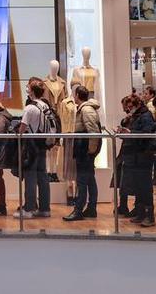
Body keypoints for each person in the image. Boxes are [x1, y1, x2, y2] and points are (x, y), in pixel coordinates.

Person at [116, 92, 156, 226]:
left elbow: (147, 134)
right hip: (134, 156)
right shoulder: (136, 116)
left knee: (145, 187)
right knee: (138, 187)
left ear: (137, 104)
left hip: (143, 156)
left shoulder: (145, 116)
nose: (128, 109)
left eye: (130, 106)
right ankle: (141, 213)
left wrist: (130, 133)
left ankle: (149, 216)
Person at [64, 84, 102, 221]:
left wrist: (90, 151)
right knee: (90, 179)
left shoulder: (86, 110)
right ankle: (91, 208)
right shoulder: (86, 109)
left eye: (74, 95)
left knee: (82, 181)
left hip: (85, 150)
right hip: (85, 150)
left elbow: (93, 132)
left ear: (78, 96)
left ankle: (78, 210)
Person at [18, 77, 54, 218]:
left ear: (32, 91)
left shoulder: (30, 108)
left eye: (28, 87)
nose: (27, 89)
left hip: (32, 144)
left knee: (30, 176)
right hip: (43, 144)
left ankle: (29, 209)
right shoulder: (45, 105)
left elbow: (22, 128)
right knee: (43, 176)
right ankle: (45, 209)